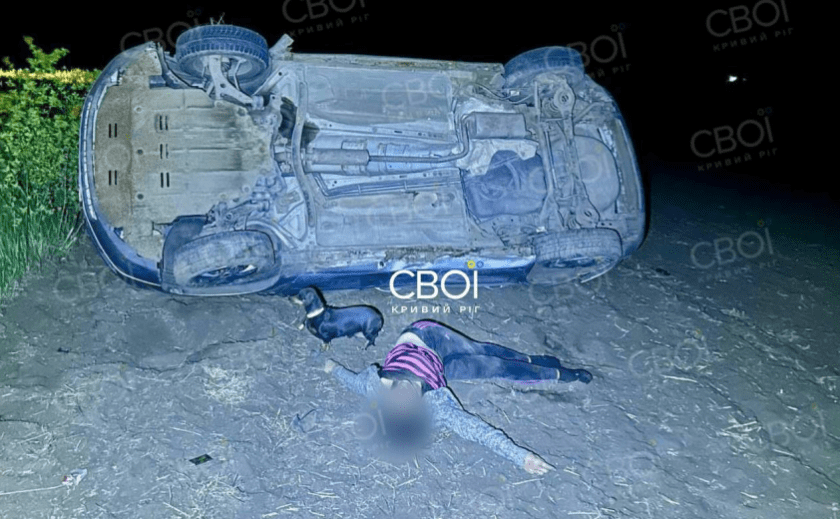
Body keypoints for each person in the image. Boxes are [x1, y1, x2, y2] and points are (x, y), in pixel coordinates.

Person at [323, 319, 593, 474]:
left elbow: (353, 382)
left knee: (481, 349)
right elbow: (480, 431)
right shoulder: (437, 409)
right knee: (494, 367)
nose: (404, 393)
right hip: (440, 369)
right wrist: (521, 457)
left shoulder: (376, 387)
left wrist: (332, 368)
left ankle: (533, 359)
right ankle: (563, 374)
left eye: (396, 402)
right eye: (408, 405)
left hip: (426, 336)